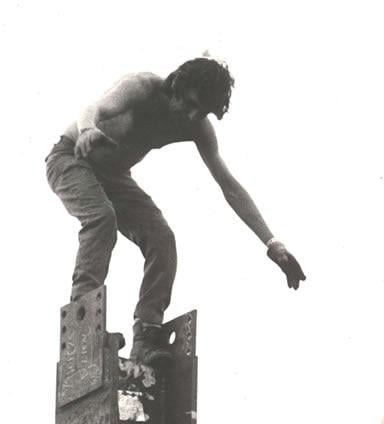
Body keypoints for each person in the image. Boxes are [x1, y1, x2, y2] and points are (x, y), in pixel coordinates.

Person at [45, 57, 306, 364]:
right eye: (191, 104)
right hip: (71, 159)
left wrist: (272, 243)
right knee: (102, 218)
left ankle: (147, 335)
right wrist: (88, 129)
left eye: (203, 112)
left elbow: (230, 186)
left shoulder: (197, 127)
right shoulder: (141, 87)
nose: (193, 115)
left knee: (162, 237)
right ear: (177, 86)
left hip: (115, 177)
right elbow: (93, 109)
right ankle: (83, 324)